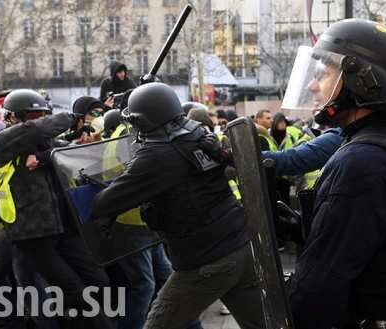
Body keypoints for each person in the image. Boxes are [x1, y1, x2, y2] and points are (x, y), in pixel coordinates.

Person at [281, 19, 386, 329]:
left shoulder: (361, 162)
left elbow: (316, 293)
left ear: (363, 80)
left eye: (323, 74)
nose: (312, 85)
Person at [92, 82, 264, 329]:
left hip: (206, 260)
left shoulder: (156, 155)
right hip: (240, 245)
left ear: (144, 121)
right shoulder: (197, 136)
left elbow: (103, 203)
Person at [0, 89, 113, 329]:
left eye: (42, 114)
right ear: (12, 118)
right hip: (32, 234)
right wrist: (72, 116)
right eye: (31, 115)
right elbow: (34, 130)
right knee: (74, 291)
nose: (38, 119)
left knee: (98, 282)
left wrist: (77, 136)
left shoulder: (44, 142)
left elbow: (69, 152)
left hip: (64, 229)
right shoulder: (1, 143)